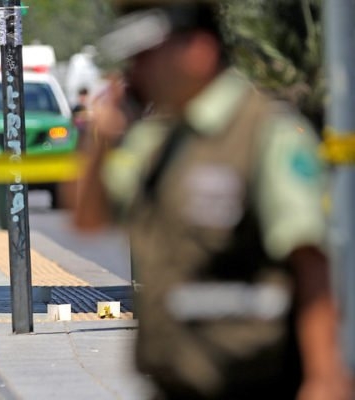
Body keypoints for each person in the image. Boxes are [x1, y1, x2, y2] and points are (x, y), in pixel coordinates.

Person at [72, 1, 352, 399]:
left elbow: (310, 264)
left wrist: (324, 378)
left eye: (148, 55)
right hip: (177, 382)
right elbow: (88, 219)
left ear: (198, 51)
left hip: (258, 381)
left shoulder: (266, 133)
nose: (137, 70)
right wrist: (99, 141)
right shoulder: (156, 142)